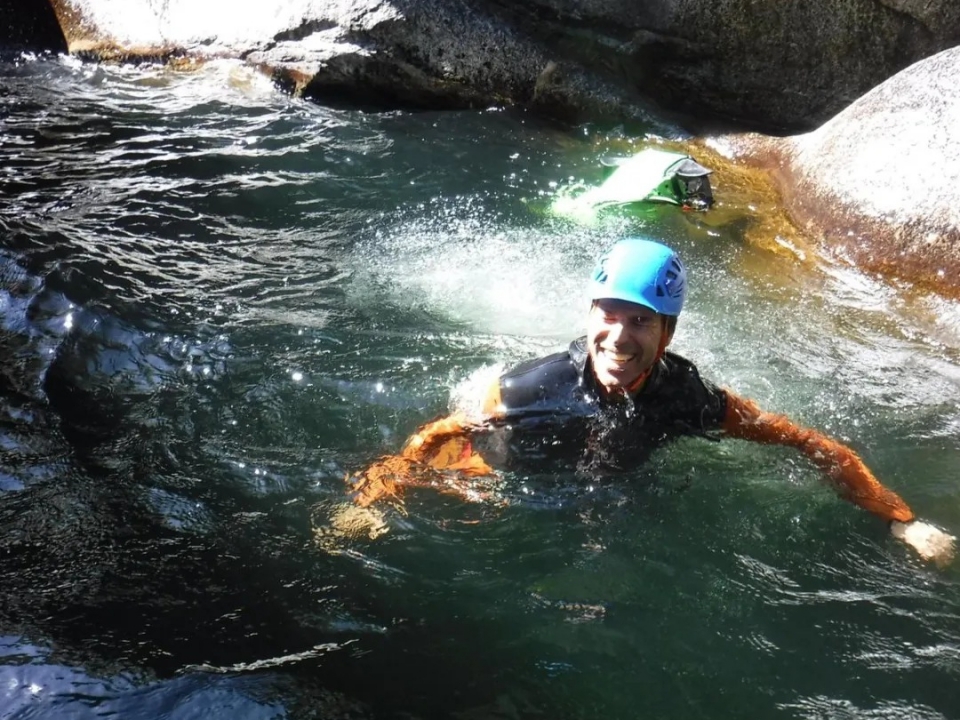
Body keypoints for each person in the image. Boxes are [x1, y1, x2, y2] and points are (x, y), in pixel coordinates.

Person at [347, 237, 955, 564]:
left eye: (640, 321)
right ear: (588, 316)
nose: (619, 336)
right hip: (507, 480)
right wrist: (376, 498)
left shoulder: (686, 394)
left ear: (668, 333)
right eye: (607, 316)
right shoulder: (525, 390)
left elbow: (807, 442)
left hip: (612, 497)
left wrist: (901, 520)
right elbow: (434, 439)